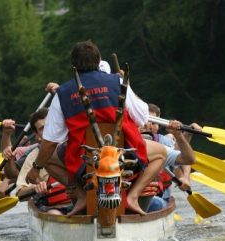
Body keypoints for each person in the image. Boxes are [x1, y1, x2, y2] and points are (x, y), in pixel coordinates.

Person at [25, 40, 185, 216]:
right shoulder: (118, 81)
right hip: (125, 155)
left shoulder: (62, 93)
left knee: (45, 157)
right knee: (161, 153)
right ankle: (133, 196)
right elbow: (141, 117)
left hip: (84, 160)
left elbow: (49, 142)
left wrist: (36, 167)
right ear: (98, 60)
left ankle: (82, 196)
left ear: (73, 65)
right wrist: (127, 85)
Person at [14, 109, 73, 215]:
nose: (49, 129)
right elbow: (20, 194)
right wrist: (34, 187)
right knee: (54, 214)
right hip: (54, 208)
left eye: (51, 124)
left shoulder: (74, 144)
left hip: (81, 201)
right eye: (42, 128)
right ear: (37, 135)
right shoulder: (33, 156)